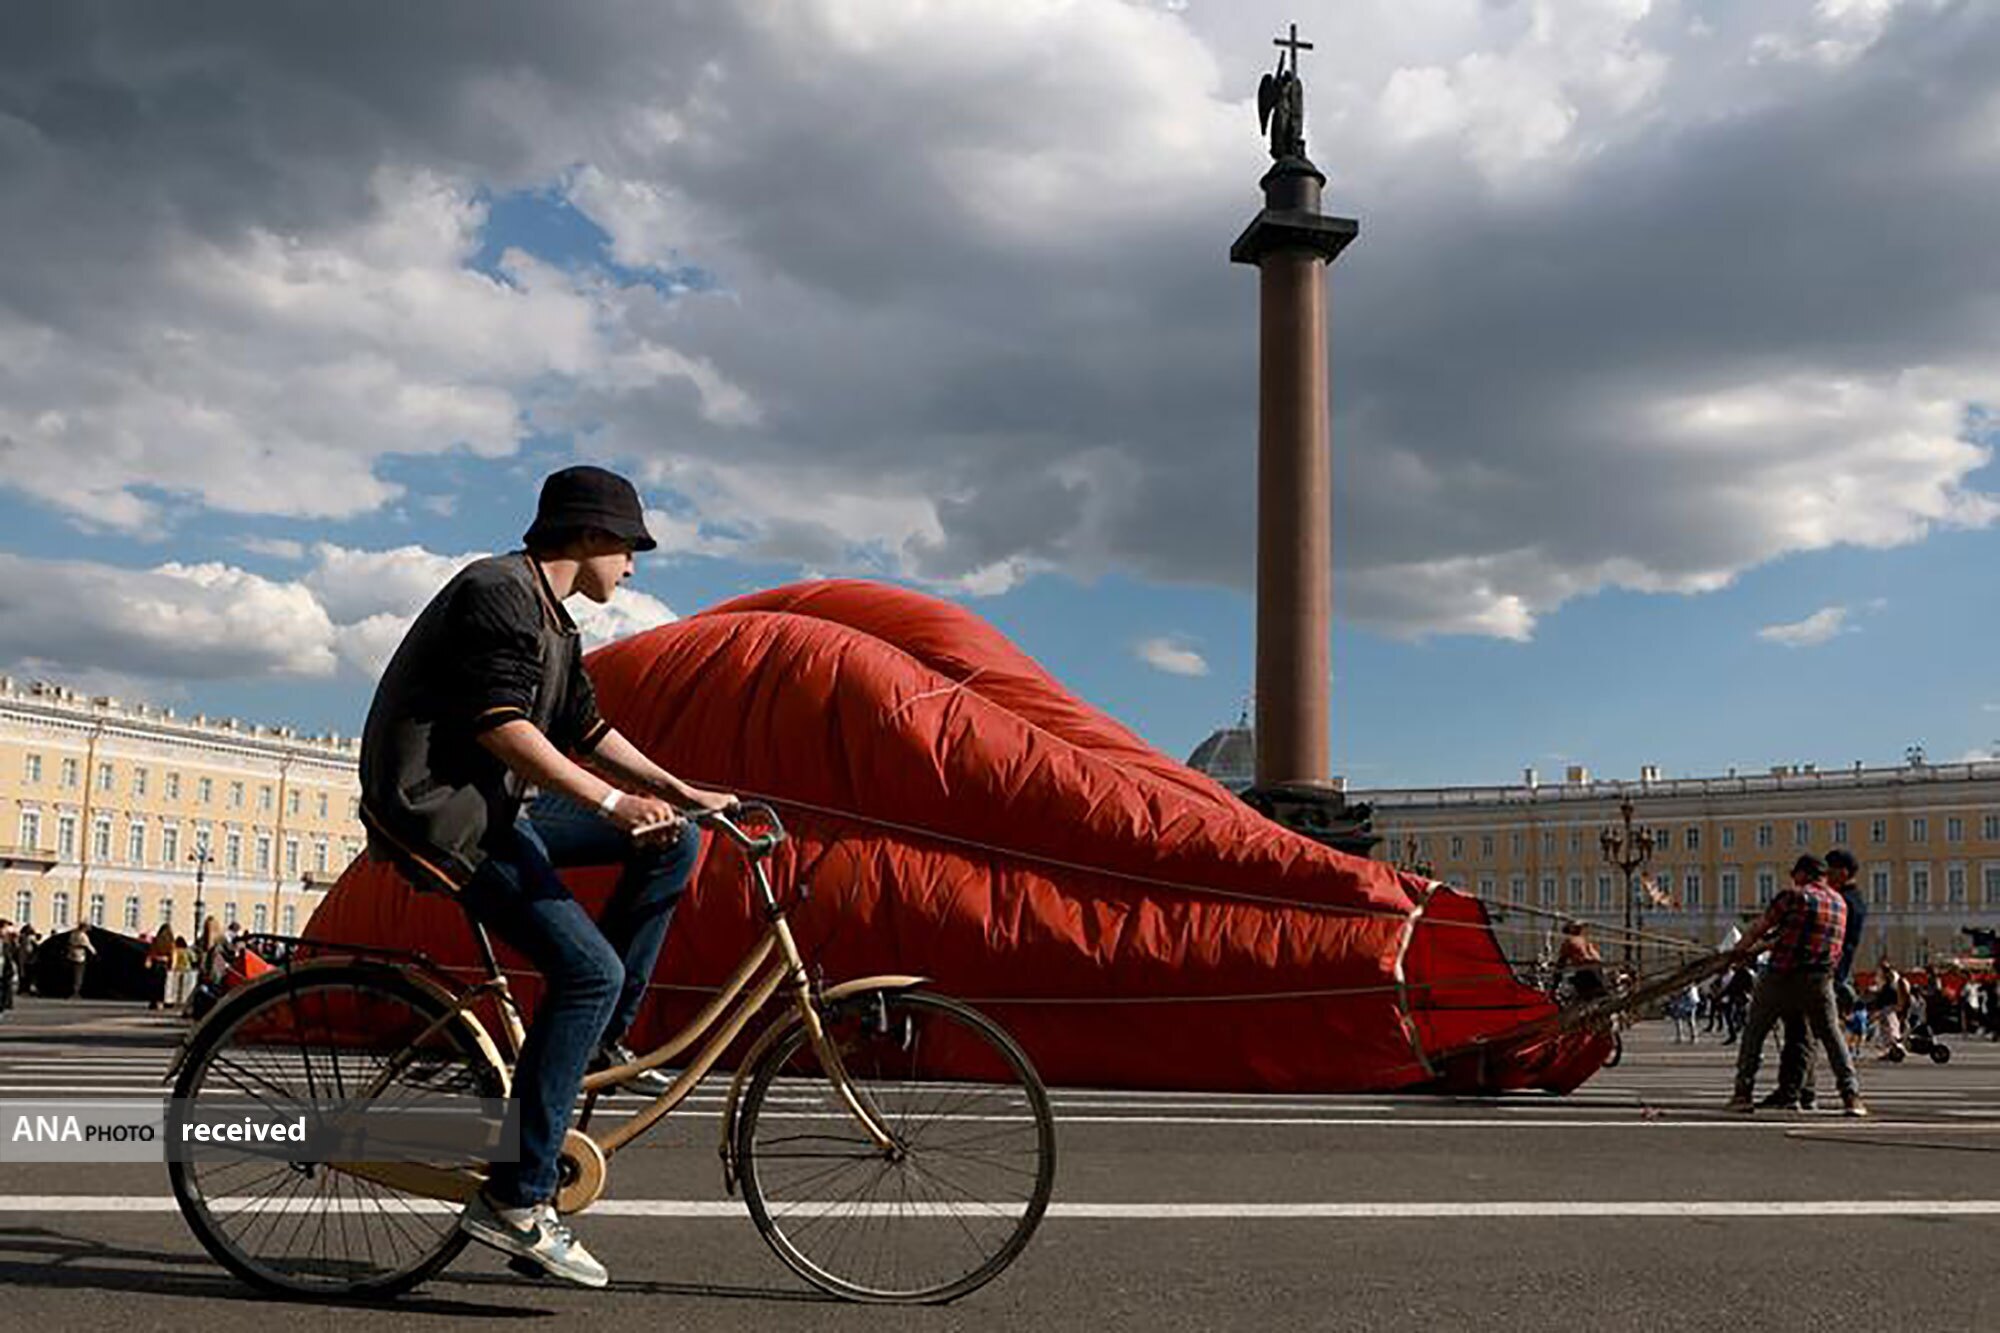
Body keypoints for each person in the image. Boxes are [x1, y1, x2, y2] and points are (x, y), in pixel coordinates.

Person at [359, 464, 735, 1289]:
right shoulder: (497, 592)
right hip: (443, 812)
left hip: (498, 808)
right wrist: (610, 803)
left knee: (674, 842)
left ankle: (596, 1041)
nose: (632, 565)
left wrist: (676, 791)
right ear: (591, 534)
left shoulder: (555, 622)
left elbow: (585, 726)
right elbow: (500, 725)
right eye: (630, 547)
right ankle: (518, 1198)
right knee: (589, 970)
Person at [1725, 855, 1867, 1116]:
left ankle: (1742, 1093)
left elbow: (1759, 928)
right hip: (1820, 980)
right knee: (1832, 1036)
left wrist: (1737, 953)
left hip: (1781, 975)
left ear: (1804, 874)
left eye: (1795, 874)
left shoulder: (1793, 896)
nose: (1793, 879)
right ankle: (1851, 1096)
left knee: (1755, 1032)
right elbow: (1792, 935)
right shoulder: (1839, 903)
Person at [1765, 847, 1868, 1110]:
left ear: (1843, 872)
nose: (1825, 879)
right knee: (1809, 1035)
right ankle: (1803, 1090)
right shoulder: (1849, 900)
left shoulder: (1842, 901)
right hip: (1828, 973)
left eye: (1829, 872)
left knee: (1805, 1034)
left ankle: (1798, 1091)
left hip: (1821, 973)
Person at [1555, 921, 1606, 1001]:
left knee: (1585, 996)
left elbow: (1561, 961)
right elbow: (1597, 957)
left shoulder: (1569, 942)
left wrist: (1556, 980)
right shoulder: (1586, 940)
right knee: (1598, 995)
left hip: (1585, 970)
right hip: (1596, 968)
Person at [145, 919, 177, 1011]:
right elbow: (173, 954)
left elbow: (151, 952)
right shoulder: (170, 942)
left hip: (156, 963)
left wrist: (149, 961)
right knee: (162, 985)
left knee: (154, 984)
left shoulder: (156, 941)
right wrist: (172, 966)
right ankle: (160, 1002)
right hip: (164, 964)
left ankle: (153, 1002)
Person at [64, 922, 96, 999]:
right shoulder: (83, 935)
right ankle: (75, 992)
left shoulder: (73, 934)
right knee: (78, 975)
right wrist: (94, 953)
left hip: (71, 955)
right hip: (80, 956)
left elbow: (69, 943)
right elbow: (88, 946)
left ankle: (70, 991)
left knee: (71, 974)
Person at [0, 919, 17, 1015]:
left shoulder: (6, 941)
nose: (6, 931)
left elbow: (9, 955)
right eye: (5, 928)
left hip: (4, 970)